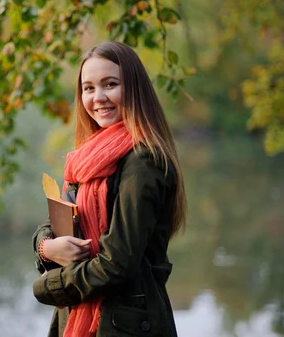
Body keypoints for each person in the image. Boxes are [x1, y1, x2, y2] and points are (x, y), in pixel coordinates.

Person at [32, 41, 186, 337]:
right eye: (88, 88)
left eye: (110, 84)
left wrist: (49, 286)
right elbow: (58, 223)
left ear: (134, 89)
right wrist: (46, 247)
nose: (98, 97)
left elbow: (118, 262)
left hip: (125, 324)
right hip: (81, 313)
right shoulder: (87, 159)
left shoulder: (144, 161)